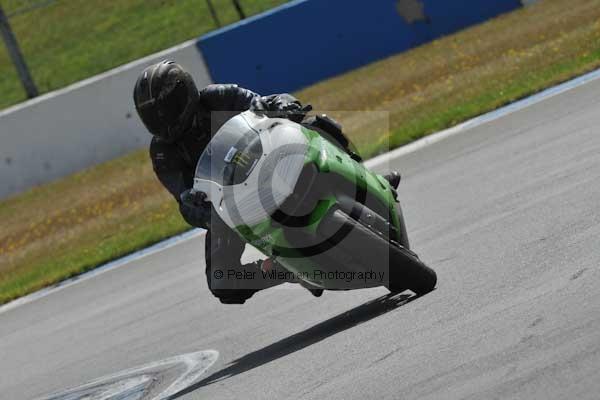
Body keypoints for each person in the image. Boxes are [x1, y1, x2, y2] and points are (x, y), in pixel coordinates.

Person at [133, 60, 319, 304]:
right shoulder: (162, 151)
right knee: (222, 282)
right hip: (232, 204)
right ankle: (288, 268)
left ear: (185, 92)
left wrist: (283, 105)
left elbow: (262, 101)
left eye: (165, 110)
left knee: (316, 124)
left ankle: (355, 169)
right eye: (153, 115)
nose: (162, 119)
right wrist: (198, 205)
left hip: (269, 163)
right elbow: (183, 199)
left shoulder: (217, 97)